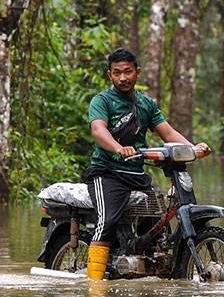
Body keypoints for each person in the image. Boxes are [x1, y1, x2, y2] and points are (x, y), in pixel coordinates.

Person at [85, 47, 209, 280]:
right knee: (107, 221)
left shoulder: (146, 104)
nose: (123, 77)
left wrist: (194, 148)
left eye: (128, 71)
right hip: (107, 174)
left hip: (137, 177)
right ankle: (94, 288)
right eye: (117, 72)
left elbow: (168, 133)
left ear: (137, 73)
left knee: (156, 229)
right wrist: (119, 148)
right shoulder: (102, 101)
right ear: (109, 75)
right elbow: (98, 130)